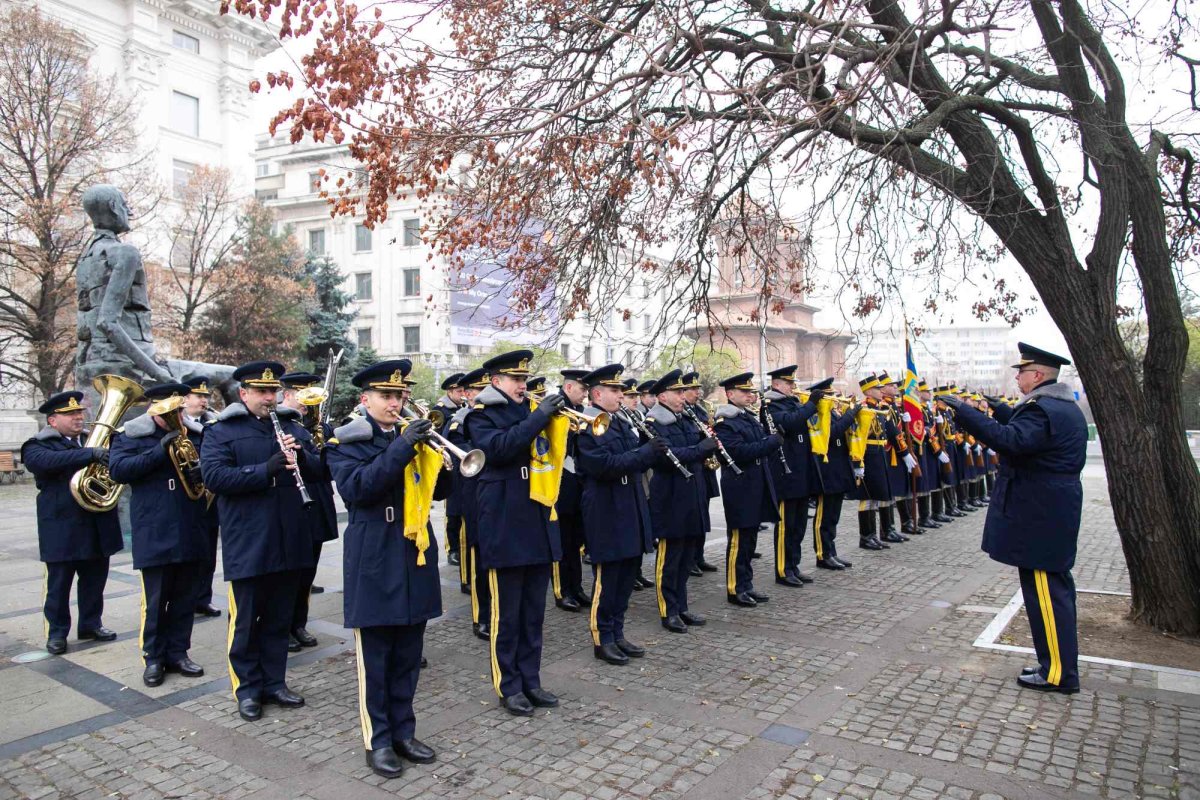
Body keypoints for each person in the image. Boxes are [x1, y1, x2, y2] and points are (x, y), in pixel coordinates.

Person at [941, 343, 1086, 694]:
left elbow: (1012, 442)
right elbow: (1029, 436)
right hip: (1048, 509)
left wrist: (966, 413)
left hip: (1040, 512)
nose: (1017, 376)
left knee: (1046, 595)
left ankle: (1058, 674)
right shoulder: (1054, 407)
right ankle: (1054, 663)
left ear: (1037, 376)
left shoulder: (1042, 409)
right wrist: (1001, 409)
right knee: (1048, 591)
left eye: (1021, 372)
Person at [325, 359, 442, 778]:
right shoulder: (346, 442)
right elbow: (359, 489)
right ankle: (378, 741)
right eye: (387, 395)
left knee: (409, 653)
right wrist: (404, 446)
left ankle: (404, 733)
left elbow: (439, 489)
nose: (396, 402)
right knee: (377, 657)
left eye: (400, 395)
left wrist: (437, 454)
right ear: (365, 399)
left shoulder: (411, 436)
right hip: (374, 551)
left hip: (414, 550)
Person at [199, 361, 321, 722]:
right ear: (244, 393)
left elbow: (319, 471)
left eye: (273, 391)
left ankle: (274, 682)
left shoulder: (291, 427)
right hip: (249, 539)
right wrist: (265, 468)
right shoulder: (222, 431)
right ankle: (247, 688)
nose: (269, 398)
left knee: (279, 617)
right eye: (262, 392)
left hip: (289, 536)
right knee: (246, 618)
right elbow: (215, 477)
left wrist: (303, 454)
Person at [466, 349, 565, 716]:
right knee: (506, 615)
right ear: (495, 381)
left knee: (532, 612)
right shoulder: (481, 415)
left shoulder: (529, 410)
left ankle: (531, 679)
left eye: (524, 379)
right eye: (515, 380)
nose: (523, 385)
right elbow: (501, 449)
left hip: (536, 516)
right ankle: (508, 685)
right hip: (504, 519)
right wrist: (540, 415)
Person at [108, 382, 209, 686]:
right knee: (156, 599)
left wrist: (200, 471)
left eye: (179, 410)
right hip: (154, 526)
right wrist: (159, 450)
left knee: (185, 596)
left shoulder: (194, 434)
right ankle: (153, 658)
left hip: (189, 522)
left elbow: (211, 467)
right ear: (154, 409)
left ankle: (179, 652)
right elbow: (119, 471)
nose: (177, 416)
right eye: (170, 411)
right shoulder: (130, 435)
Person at [22, 391, 122, 655]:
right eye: (70, 414)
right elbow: (45, 463)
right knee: (59, 585)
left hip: (96, 523)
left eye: (79, 412)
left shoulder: (94, 441)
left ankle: (91, 624)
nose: (78, 417)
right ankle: (56, 633)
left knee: (94, 580)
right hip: (62, 527)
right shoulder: (38, 445)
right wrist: (91, 454)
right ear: (53, 420)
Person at [576, 364, 661, 664]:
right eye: (615, 390)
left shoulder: (622, 421)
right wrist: (644, 454)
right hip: (606, 507)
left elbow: (633, 459)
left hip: (630, 504)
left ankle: (618, 633)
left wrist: (651, 448)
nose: (620, 395)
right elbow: (602, 465)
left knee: (626, 576)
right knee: (608, 578)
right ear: (597, 393)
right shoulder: (587, 424)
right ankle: (603, 639)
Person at [645, 369, 716, 631]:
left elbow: (695, 449)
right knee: (670, 559)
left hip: (692, 494)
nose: (682, 396)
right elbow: (666, 457)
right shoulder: (653, 422)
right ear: (662, 395)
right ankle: (668, 610)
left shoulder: (684, 418)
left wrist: (706, 439)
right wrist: (701, 448)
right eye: (677, 392)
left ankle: (682, 606)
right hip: (671, 497)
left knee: (686, 558)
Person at [278, 372, 340, 652]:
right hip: (291, 504)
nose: (306, 401)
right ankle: (283, 627)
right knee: (289, 573)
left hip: (317, 501)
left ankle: (298, 623)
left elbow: (329, 465)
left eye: (310, 394)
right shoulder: (279, 424)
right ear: (287, 395)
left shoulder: (322, 428)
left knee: (308, 571)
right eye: (300, 395)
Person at [713, 372, 783, 607]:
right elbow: (737, 452)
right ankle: (735, 588)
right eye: (744, 392)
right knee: (739, 541)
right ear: (730, 394)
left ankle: (747, 584)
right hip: (740, 486)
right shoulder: (726, 423)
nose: (749, 395)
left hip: (755, 482)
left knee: (750, 540)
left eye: (750, 391)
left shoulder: (748, 417)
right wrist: (768, 443)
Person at [759, 367, 825, 586]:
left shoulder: (792, 401)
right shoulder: (770, 405)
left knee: (799, 526)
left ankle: (794, 566)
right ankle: (782, 569)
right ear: (777, 384)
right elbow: (790, 422)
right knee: (786, 525)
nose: (792, 386)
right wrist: (811, 404)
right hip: (785, 472)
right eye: (788, 383)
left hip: (801, 470)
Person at [445, 368, 492, 639]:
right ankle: (480, 616)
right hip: (473, 494)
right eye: (478, 390)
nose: (483, 395)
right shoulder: (459, 421)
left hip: (494, 494)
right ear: (467, 394)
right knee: (479, 561)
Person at [182, 376, 222, 617]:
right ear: (185, 399)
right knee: (189, 554)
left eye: (206, 396)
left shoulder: (214, 424)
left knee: (208, 553)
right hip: (187, 500)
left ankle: (203, 598)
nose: (204, 400)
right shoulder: (178, 426)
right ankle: (186, 599)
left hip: (210, 500)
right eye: (199, 396)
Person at [552, 368, 591, 612]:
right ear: (568, 388)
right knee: (561, 541)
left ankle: (575, 587)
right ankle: (561, 590)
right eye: (582, 389)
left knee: (574, 540)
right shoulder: (555, 408)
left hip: (576, 480)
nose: (585, 395)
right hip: (559, 482)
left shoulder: (578, 411)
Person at [814, 391, 860, 570]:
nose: (835, 398)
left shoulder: (834, 413)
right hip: (826, 471)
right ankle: (822, 554)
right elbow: (831, 433)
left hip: (839, 469)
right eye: (830, 395)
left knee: (833, 516)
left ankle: (831, 551)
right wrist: (850, 415)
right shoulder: (820, 414)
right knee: (823, 518)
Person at [681, 372, 720, 575]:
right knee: (694, 515)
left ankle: (700, 555)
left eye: (698, 389)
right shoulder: (685, 412)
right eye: (693, 390)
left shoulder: (700, 409)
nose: (698, 392)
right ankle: (692, 559)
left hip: (705, 466)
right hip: (694, 463)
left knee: (703, 513)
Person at [435, 373, 466, 570]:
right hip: (448, 463)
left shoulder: (462, 409)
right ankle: (452, 548)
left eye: (464, 390)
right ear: (450, 392)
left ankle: (460, 546)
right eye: (458, 391)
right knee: (452, 511)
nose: (462, 394)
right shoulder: (440, 411)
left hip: (463, 463)